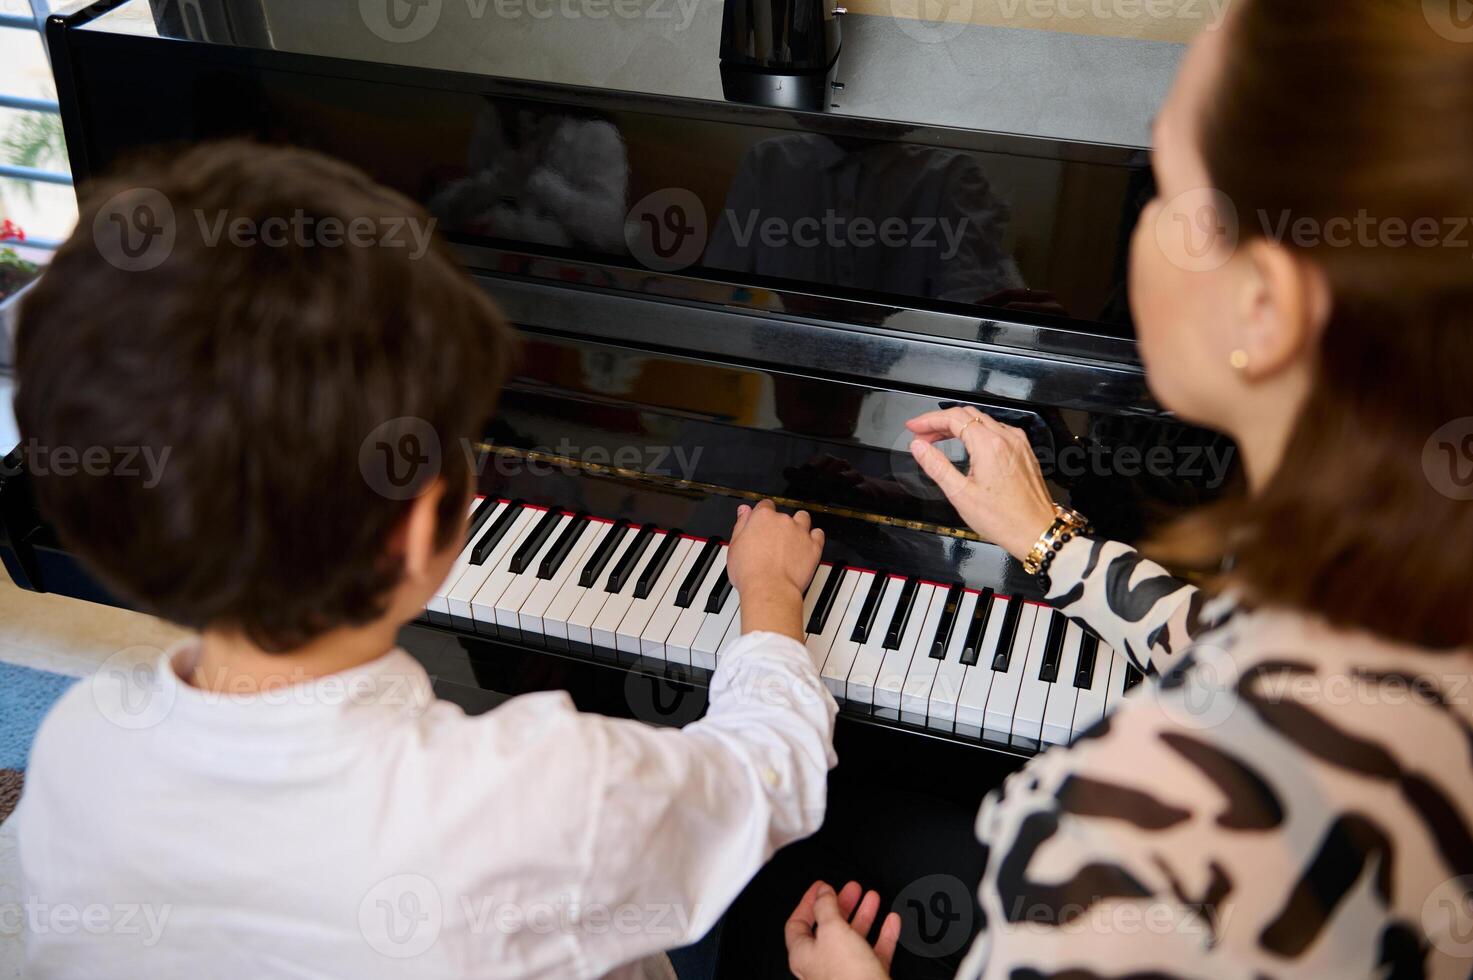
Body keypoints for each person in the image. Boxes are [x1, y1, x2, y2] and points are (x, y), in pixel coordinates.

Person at [11, 140, 836, 979]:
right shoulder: (534, 799)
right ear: (414, 532)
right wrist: (768, 599)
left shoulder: (76, 753)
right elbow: (769, 779)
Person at [783, 1, 1473, 977]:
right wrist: (1054, 540)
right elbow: (1243, 656)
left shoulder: (1134, 848)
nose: (1138, 232)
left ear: (1263, 307)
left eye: (1160, 188)